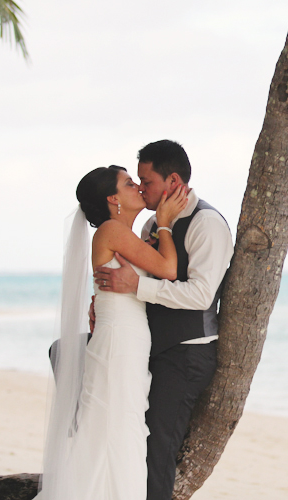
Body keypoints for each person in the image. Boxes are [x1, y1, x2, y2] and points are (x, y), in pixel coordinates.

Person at [36, 165, 188, 500]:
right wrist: (164, 223)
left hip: (128, 337)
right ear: (113, 198)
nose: (137, 187)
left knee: (119, 424)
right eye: (129, 183)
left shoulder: (123, 235)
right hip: (120, 339)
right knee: (117, 426)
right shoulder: (111, 231)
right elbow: (168, 269)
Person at [92, 140, 233, 500]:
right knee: (130, 437)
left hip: (187, 354)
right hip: (147, 348)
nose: (141, 188)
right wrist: (106, 300)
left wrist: (136, 286)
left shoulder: (208, 224)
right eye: (135, 181)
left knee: (157, 448)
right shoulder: (153, 224)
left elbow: (200, 295)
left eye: (147, 181)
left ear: (172, 180)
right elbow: (137, 275)